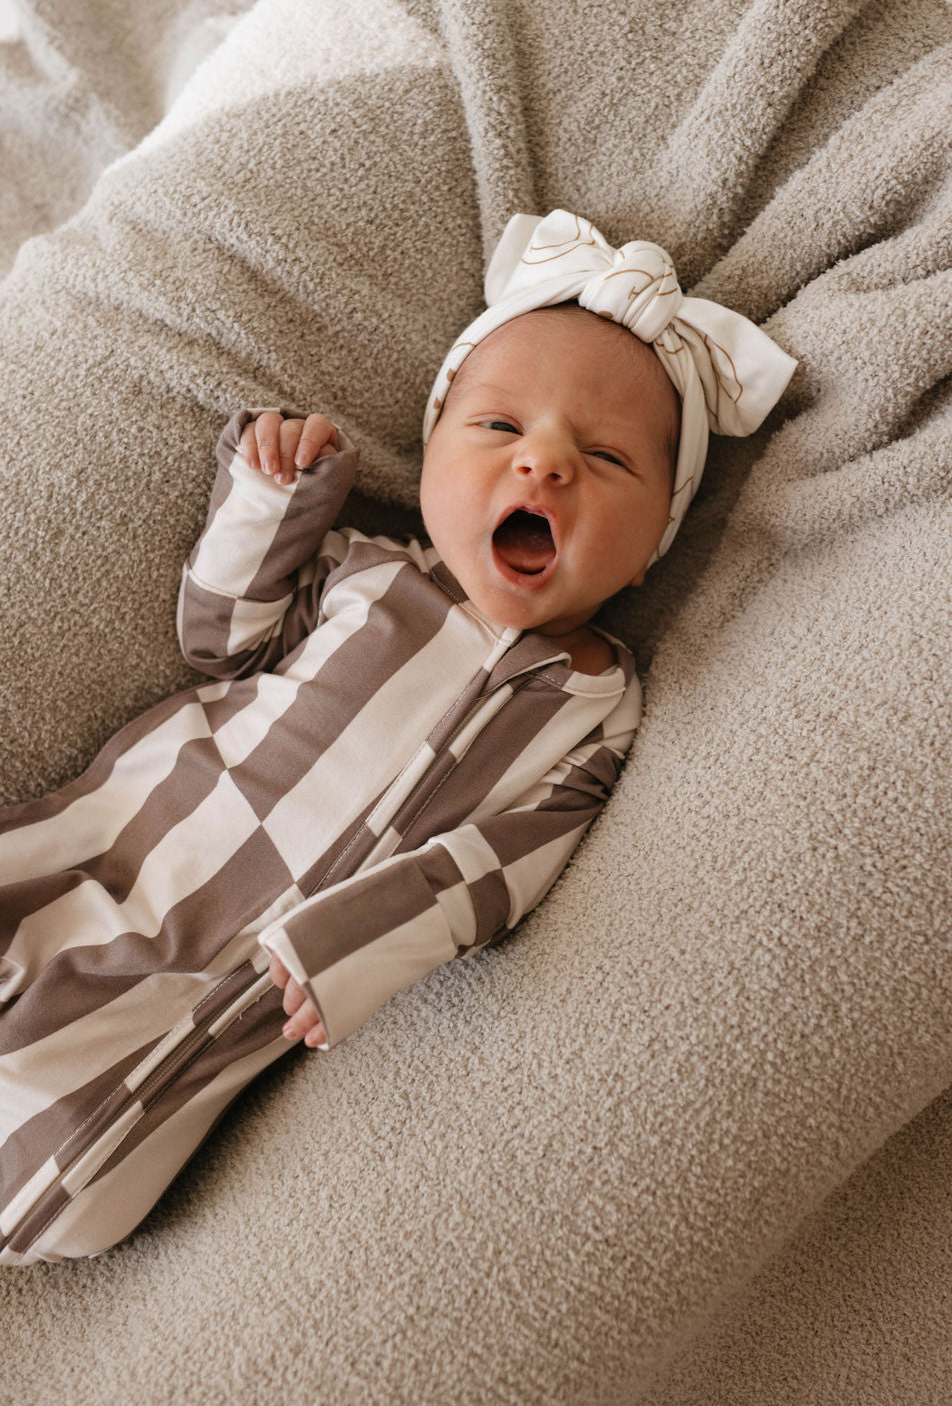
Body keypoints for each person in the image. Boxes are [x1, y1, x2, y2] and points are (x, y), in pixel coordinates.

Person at [0, 209, 796, 1263]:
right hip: (125, 841)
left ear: (652, 545)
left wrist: (352, 945)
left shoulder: (595, 707)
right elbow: (218, 636)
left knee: (65, 1171)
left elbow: (495, 871)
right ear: (429, 461)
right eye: (501, 429)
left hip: (242, 969)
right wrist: (270, 496)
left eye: (605, 457)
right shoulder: (365, 570)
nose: (543, 465)